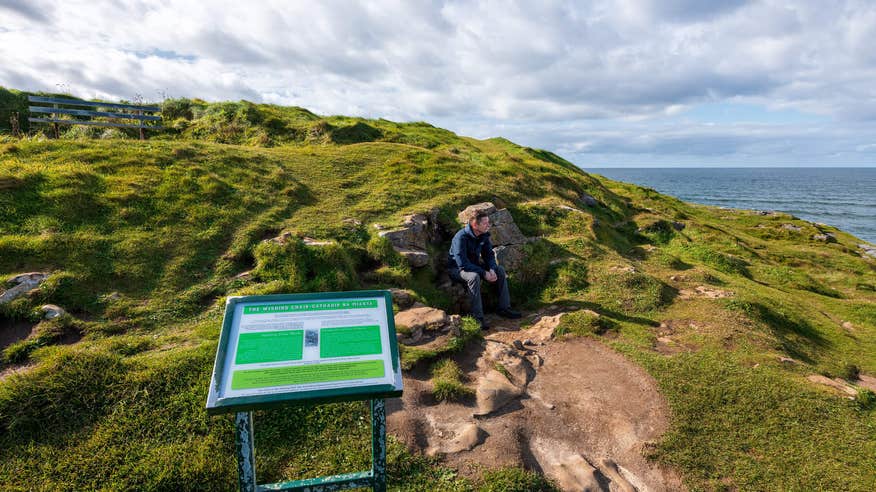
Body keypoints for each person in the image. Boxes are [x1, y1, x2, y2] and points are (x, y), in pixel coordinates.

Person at [447, 210, 521, 329]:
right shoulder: (460, 237)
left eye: (488, 222)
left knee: (500, 270)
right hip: (457, 269)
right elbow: (462, 264)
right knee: (473, 277)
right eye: (485, 223)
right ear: (475, 225)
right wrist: (483, 273)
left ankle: (504, 308)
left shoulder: (483, 235)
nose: (488, 225)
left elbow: (489, 255)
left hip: (474, 265)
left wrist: (491, 268)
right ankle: (478, 317)